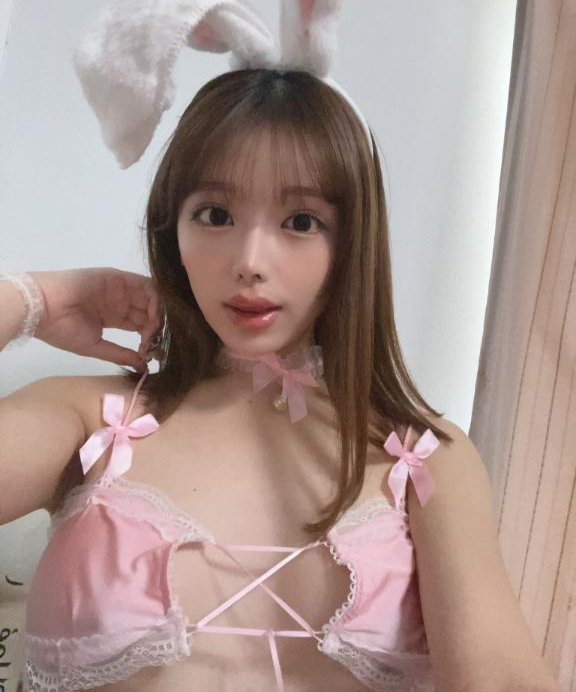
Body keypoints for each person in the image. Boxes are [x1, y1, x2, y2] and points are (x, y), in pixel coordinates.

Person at [0, 69, 561, 692]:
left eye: (301, 221)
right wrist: (33, 299)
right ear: (170, 230)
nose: (249, 263)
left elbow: (502, 681)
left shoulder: (426, 460)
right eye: (215, 214)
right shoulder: (88, 421)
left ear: (352, 242)